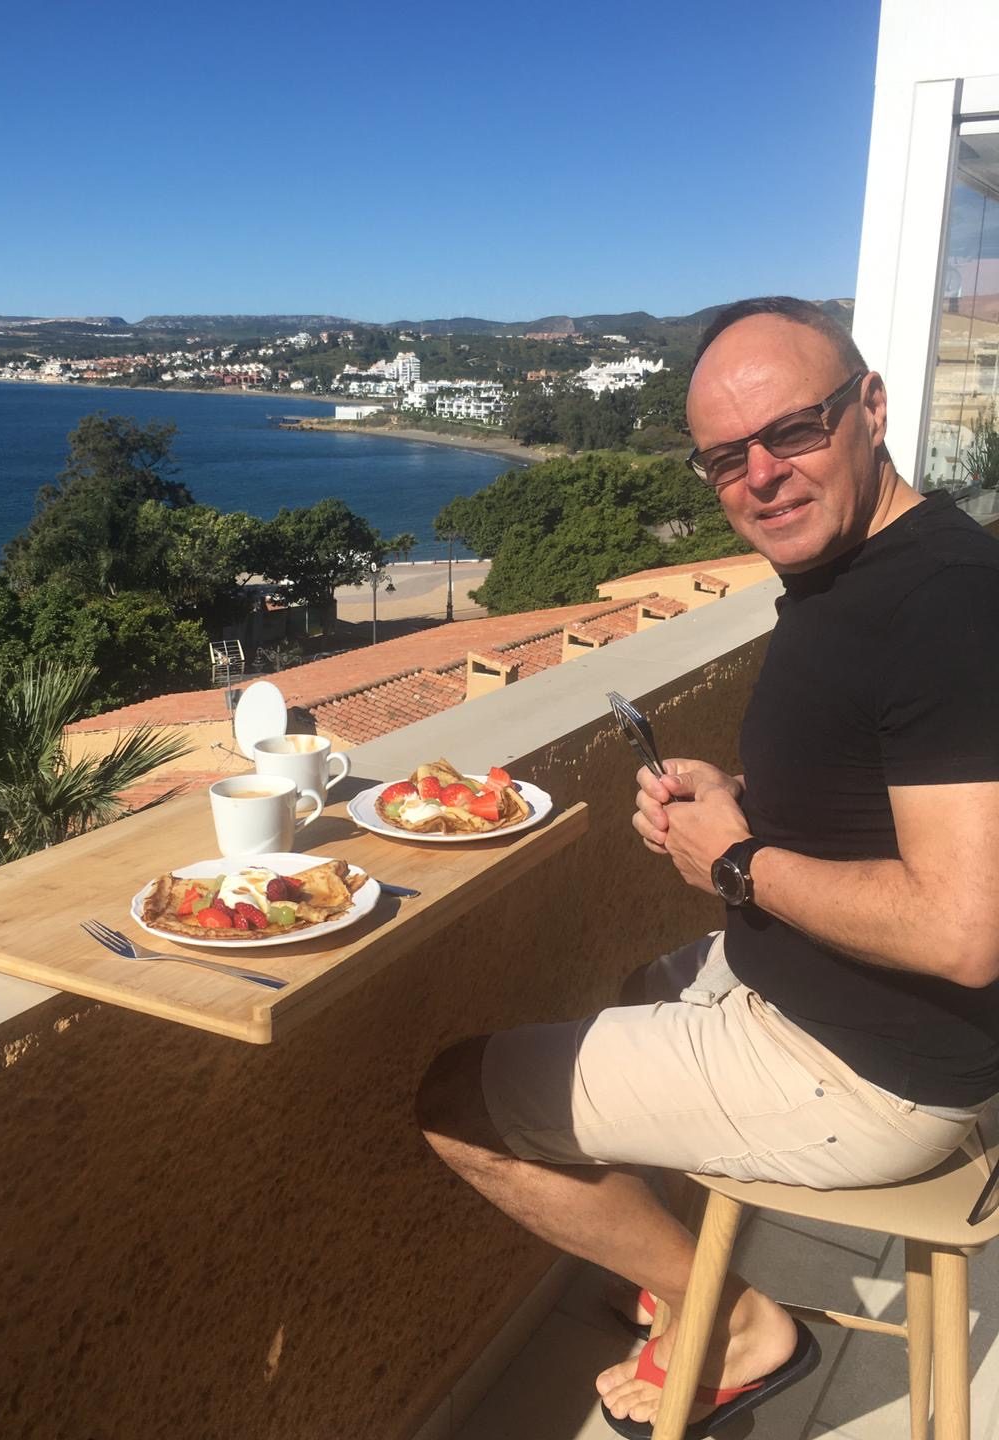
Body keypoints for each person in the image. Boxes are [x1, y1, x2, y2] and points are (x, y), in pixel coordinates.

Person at [416, 296, 999, 1437]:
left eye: (794, 431)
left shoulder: (940, 606)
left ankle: (734, 1322)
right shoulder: (870, 572)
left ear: (871, 410)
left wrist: (735, 858)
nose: (762, 476)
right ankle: (691, 1279)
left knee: (457, 1102)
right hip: (849, 1012)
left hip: (878, 1071)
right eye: (726, 458)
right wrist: (739, 803)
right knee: (636, 989)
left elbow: (964, 929)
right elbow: (882, 794)